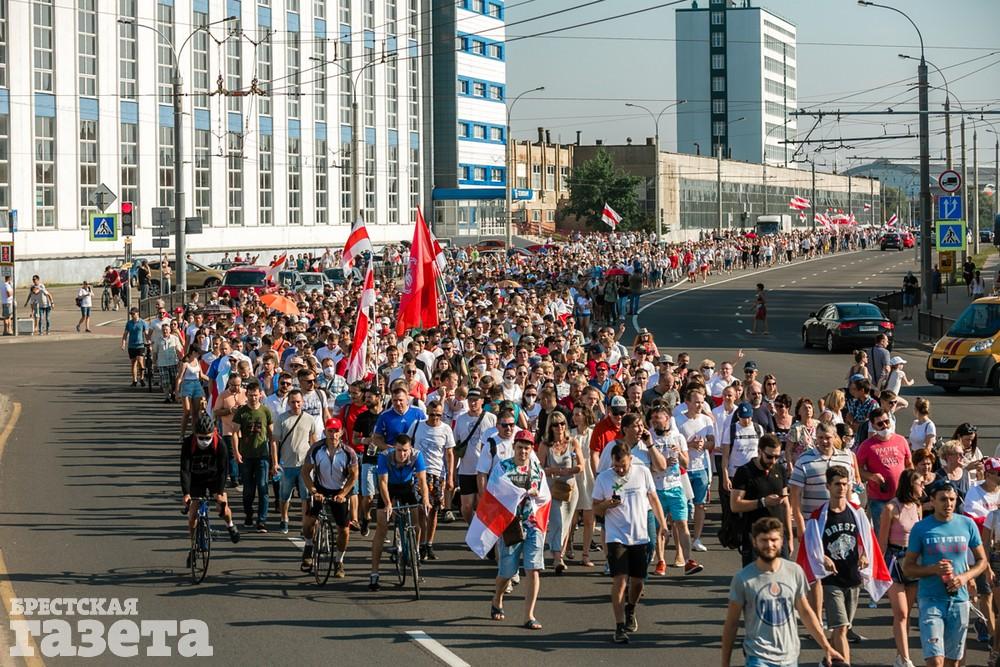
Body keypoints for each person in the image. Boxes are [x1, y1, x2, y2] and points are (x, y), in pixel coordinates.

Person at [796, 465, 890, 667]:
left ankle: (828, 659)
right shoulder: (819, 516)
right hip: (832, 581)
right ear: (828, 486)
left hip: (853, 579)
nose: (841, 488)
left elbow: (868, 540)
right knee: (839, 628)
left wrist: (864, 556)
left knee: (844, 628)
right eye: (837, 484)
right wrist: (823, 558)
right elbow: (810, 546)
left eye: (845, 484)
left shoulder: (857, 513)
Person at [721, 516, 845, 667]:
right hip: (758, 657)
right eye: (763, 540)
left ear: (782, 541)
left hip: (790, 657)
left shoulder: (794, 571)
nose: (769, 545)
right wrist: (725, 663)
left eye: (774, 540)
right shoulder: (743, 579)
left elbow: (805, 612)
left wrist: (826, 647)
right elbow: (731, 624)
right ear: (754, 542)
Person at [903, 479, 988, 667]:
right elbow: (907, 567)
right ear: (932, 501)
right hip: (930, 599)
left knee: (953, 661)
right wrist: (933, 569)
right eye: (943, 499)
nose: (948, 504)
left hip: (959, 600)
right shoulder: (921, 528)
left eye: (952, 499)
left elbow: (982, 561)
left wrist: (965, 577)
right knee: (935, 660)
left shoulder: (967, 524)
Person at [593, 443, 668, 644]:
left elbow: (653, 499)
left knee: (638, 582)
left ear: (630, 460)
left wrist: (663, 524)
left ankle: (631, 608)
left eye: (623, 465)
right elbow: (595, 509)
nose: (619, 469)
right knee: (620, 580)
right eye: (616, 466)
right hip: (616, 536)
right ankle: (619, 627)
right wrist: (606, 504)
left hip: (639, 536)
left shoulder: (643, 473)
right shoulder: (604, 478)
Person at [489, 431, 549, 630]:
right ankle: (497, 598)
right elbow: (494, 493)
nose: (523, 451)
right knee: (507, 571)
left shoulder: (537, 469)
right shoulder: (503, 467)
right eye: (520, 447)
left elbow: (545, 497)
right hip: (511, 525)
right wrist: (517, 494)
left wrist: (535, 495)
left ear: (531, 449)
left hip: (533, 524)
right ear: (514, 447)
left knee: (533, 569)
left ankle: (529, 615)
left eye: (527, 448)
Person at [368, 434, 431, 592]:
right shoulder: (385, 456)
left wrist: (425, 499)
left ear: (410, 449)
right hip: (389, 488)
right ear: (394, 448)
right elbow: (383, 482)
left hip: (406, 487)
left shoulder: (417, 455)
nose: (402, 454)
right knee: (382, 527)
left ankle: (414, 552)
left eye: (405, 451)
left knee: (416, 522)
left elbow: (422, 481)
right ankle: (374, 573)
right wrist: (388, 504)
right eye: (399, 450)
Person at [180, 412, 240, 568]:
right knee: (192, 514)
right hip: (196, 479)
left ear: (213, 432)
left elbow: (223, 471)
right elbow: (184, 470)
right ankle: (192, 546)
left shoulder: (220, 444)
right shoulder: (188, 443)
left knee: (222, 506)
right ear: (195, 434)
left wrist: (219, 493)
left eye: (207, 437)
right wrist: (186, 493)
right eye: (201, 437)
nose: (204, 441)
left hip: (214, 478)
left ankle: (230, 525)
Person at [879, 468, 925, 667]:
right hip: (894, 560)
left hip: (913, 560)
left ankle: (900, 656)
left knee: (907, 614)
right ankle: (906, 659)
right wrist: (878, 570)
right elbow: (882, 542)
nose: (923, 487)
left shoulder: (917, 506)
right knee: (901, 613)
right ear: (910, 484)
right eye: (920, 483)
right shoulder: (891, 508)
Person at [300, 418, 358, 577]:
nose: (333, 434)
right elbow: (305, 472)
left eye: (336, 431)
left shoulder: (349, 452)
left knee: (344, 530)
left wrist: (343, 494)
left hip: (339, 491)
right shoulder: (316, 449)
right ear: (325, 432)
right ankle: (308, 546)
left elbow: (354, 476)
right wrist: (313, 491)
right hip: (320, 489)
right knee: (308, 522)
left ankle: (339, 561)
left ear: (342, 432)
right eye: (330, 431)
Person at [731, 434, 792, 566]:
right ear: (759, 451)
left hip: (778, 534)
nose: (773, 461)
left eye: (777, 457)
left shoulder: (780, 470)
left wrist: (789, 537)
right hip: (754, 535)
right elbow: (735, 505)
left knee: (783, 574)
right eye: (769, 456)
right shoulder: (744, 472)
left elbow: (786, 505)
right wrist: (763, 502)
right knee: (755, 575)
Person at [538, 411, 583, 574]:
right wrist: (554, 470)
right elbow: (539, 468)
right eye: (556, 424)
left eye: (562, 423)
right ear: (550, 427)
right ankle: (557, 557)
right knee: (557, 521)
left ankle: (559, 553)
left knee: (567, 522)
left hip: (570, 489)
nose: (560, 427)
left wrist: (570, 470)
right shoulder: (545, 445)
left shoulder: (572, 442)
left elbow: (581, 465)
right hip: (553, 488)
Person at [411, 400, 456, 561]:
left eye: (438, 415)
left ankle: (429, 544)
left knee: (434, 511)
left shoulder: (446, 429)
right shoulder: (417, 425)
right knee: (421, 508)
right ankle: (420, 543)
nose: (435, 418)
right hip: (419, 473)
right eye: (432, 414)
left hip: (438, 473)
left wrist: (450, 477)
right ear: (427, 413)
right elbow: (408, 446)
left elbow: (449, 454)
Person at [273, 390, 321, 535]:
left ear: (303, 402)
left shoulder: (309, 419)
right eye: (293, 402)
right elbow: (274, 442)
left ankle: (304, 524)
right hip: (287, 464)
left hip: (304, 465)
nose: (296, 405)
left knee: (306, 497)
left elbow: (314, 441)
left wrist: (316, 462)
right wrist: (275, 462)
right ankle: (284, 518)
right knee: (284, 495)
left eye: (298, 402)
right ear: (288, 403)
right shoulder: (282, 419)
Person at [856, 407, 913, 530]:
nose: (885, 426)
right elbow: (857, 469)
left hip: (901, 496)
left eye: (886, 421)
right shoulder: (867, 446)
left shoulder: (901, 440)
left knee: (902, 531)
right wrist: (872, 476)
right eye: (880, 424)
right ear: (873, 425)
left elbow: (909, 464)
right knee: (882, 532)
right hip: (879, 498)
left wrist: (910, 483)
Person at [232, 381, 275, 532]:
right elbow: (235, 433)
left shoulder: (265, 411)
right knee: (248, 490)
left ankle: (262, 520)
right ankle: (249, 514)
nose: (253, 398)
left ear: (260, 395)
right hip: (246, 455)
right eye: (250, 395)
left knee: (263, 488)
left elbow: (271, 435)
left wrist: (273, 457)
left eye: (255, 395)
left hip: (262, 455)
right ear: (247, 395)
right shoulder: (242, 412)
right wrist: (236, 452)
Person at [121, 307, 149, 387]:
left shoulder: (142, 322)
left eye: (133, 314)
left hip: (140, 345)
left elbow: (146, 333)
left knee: (140, 361)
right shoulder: (129, 323)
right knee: (133, 363)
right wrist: (123, 343)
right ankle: (134, 380)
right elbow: (125, 334)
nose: (132, 315)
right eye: (131, 314)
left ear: (137, 313)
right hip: (131, 345)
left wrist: (148, 341)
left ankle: (142, 378)